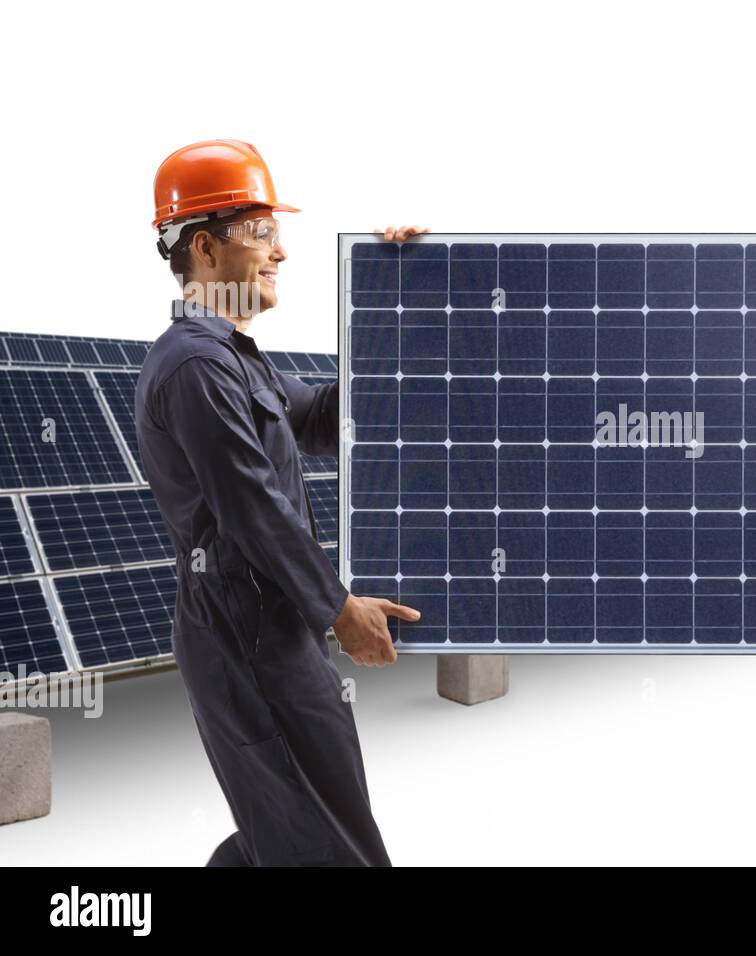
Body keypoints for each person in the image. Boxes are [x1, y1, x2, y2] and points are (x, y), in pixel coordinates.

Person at [137, 139, 424, 865]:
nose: (282, 253)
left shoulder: (233, 358)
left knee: (288, 827)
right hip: (247, 635)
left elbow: (329, 417)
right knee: (325, 842)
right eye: (263, 233)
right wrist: (338, 607)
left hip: (264, 632)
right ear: (205, 247)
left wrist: (403, 293)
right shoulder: (198, 367)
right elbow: (252, 507)